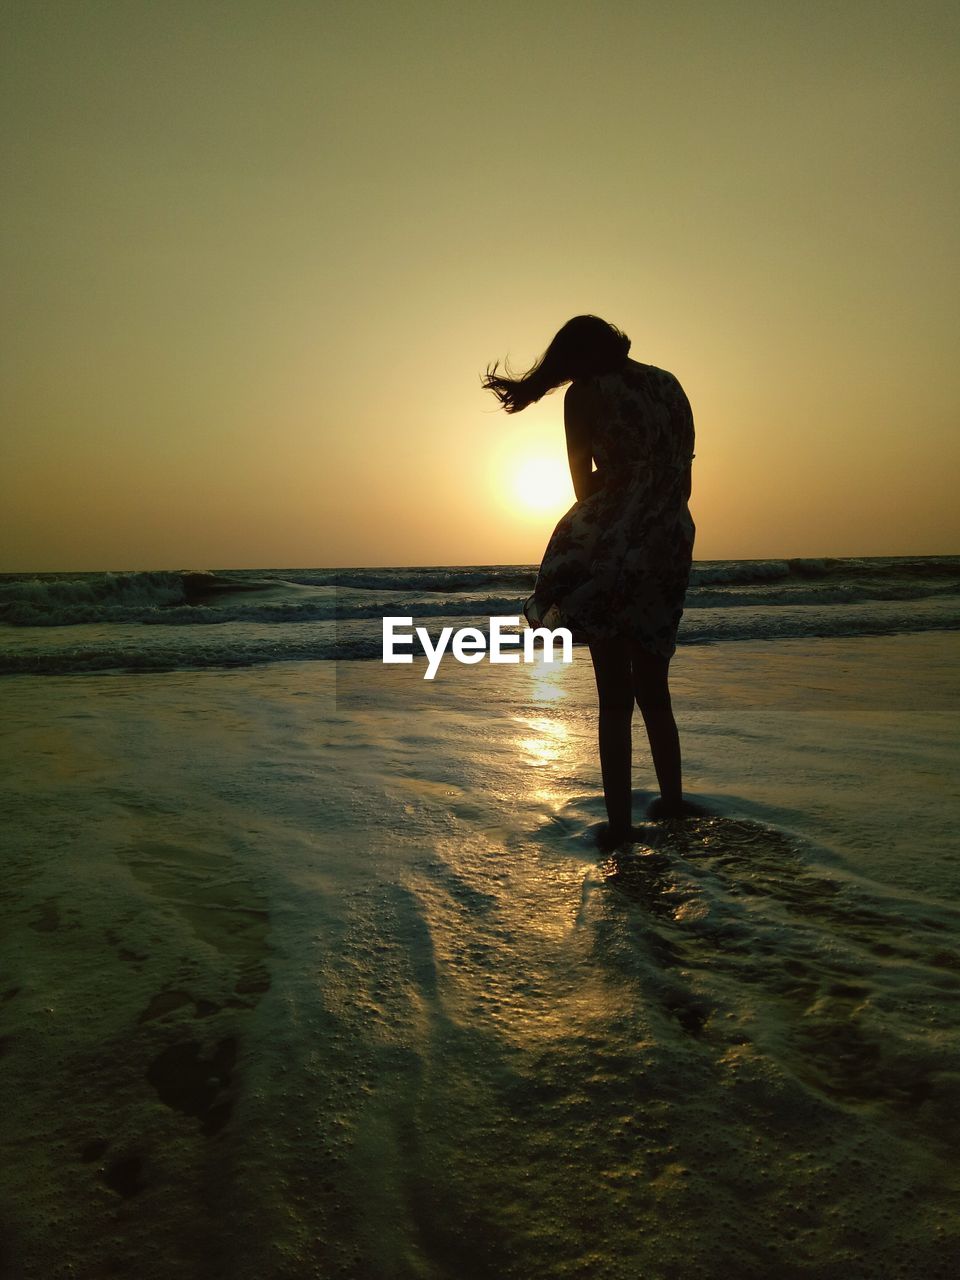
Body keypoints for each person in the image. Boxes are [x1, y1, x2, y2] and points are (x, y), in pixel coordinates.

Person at [482, 315, 696, 847]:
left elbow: (583, 486)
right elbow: (683, 476)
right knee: (656, 692)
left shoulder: (583, 395)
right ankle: (673, 808)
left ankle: (621, 830)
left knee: (614, 698)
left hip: (615, 546)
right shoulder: (669, 384)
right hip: (670, 540)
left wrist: (623, 481)